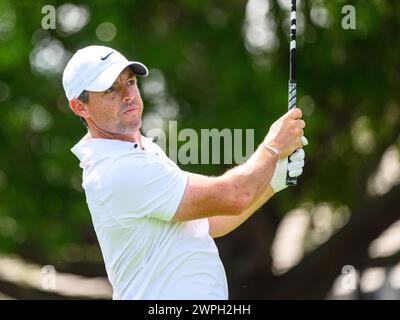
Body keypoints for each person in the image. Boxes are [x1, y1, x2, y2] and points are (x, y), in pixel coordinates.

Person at [63, 45, 308, 300]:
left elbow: (210, 223)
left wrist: (272, 180)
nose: (128, 94)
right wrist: (273, 147)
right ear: (80, 107)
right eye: (111, 89)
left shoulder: (141, 150)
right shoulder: (118, 169)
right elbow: (235, 196)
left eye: (131, 82)